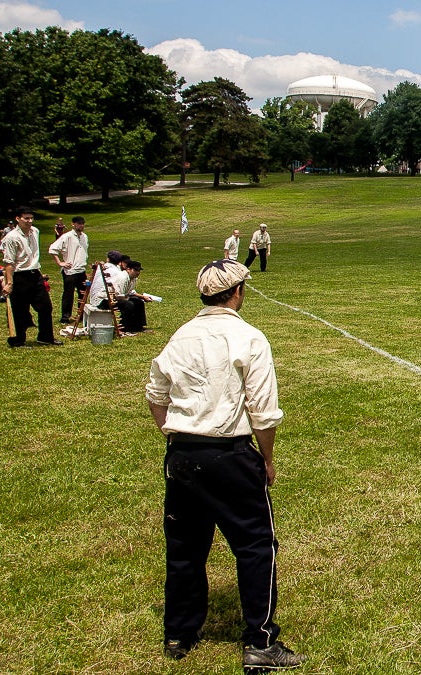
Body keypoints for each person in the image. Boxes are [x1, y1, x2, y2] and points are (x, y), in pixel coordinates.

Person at [145, 259, 306, 671]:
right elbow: (264, 411)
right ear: (237, 293)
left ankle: (180, 633)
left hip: (182, 454)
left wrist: (174, 436)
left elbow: (155, 394)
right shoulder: (248, 337)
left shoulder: (180, 336)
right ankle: (260, 642)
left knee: (184, 547)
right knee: (255, 546)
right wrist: (266, 458)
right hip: (230, 453)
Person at [1, 206, 60, 347]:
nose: (29, 221)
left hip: (35, 274)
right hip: (20, 275)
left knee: (46, 307)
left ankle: (45, 337)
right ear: (18, 219)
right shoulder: (11, 238)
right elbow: (8, 262)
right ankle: (18, 340)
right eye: (26, 218)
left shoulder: (35, 231)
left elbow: (33, 255)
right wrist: (9, 283)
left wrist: (39, 271)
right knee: (20, 309)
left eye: (31, 218)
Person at [48, 216, 88, 324]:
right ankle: (65, 317)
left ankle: (81, 315)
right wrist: (60, 263)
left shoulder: (84, 237)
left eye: (82, 223)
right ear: (73, 224)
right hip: (70, 271)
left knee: (83, 294)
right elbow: (52, 249)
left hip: (81, 270)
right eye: (79, 223)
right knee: (68, 294)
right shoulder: (67, 236)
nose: (81, 225)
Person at [115, 260, 152, 334]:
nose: (138, 272)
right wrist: (128, 299)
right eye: (135, 270)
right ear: (128, 269)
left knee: (139, 302)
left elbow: (130, 291)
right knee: (129, 304)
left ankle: (138, 327)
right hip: (113, 298)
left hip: (123, 297)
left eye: (139, 270)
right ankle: (125, 327)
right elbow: (118, 295)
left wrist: (142, 297)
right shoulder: (123, 278)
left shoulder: (133, 278)